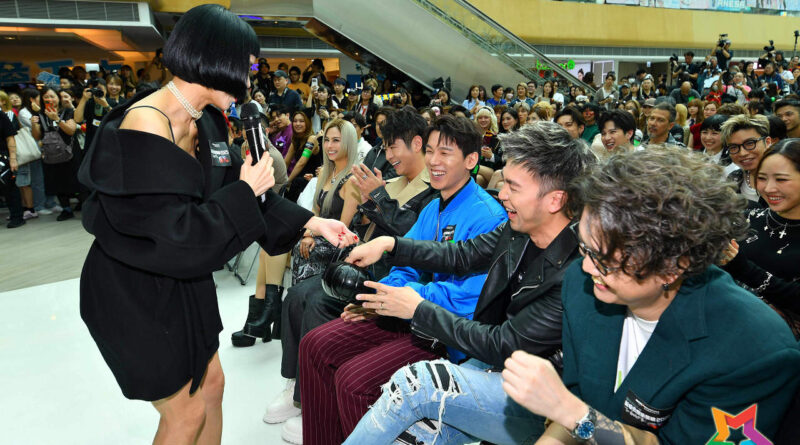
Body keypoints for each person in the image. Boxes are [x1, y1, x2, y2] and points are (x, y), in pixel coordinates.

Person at [77, 6, 354, 444]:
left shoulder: (205, 121)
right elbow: (174, 234)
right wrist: (245, 190)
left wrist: (313, 222)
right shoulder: (145, 124)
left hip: (182, 281)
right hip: (133, 289)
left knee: (212, 386)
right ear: (215, 60)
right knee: (184, 414)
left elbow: (238, 194)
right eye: (246, 69)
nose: (249, 82)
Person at [499, 146, 800, 443]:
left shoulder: (753, 353)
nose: (587, 267)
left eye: (605, 260)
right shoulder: (584, 287)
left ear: (672, 267)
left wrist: (572, 413)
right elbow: (581, 397)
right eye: (585, 247)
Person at [343, 121, 593, 445]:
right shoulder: (517, 231)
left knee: (416, 383)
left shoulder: (576, 271)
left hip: (538, 404)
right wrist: (391, 244)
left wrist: (419, 309)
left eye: (513, 187)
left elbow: (503, 344)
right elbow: (461, 254)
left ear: (555, 200)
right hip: (493, 368)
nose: (502, 194)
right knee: (409, 437)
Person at [297, 115, 507, 445]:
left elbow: (470, 299)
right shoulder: (433, 208)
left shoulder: (489, 216)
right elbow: (404, 263)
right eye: (431, 151)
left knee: (354, 382)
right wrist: (382, 298)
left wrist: (399, 298)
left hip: (447, 334)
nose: (434, 161)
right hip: (409, 314)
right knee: (315, 345)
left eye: (445, 153)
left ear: (471, 160)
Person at [263, 106, 438, 433]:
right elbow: (365, 224)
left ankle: (312, 402)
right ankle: (297, 386)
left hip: (390, 279)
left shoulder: (432, 189)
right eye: (385, 147)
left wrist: (378, 198)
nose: (388, 155)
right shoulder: (392, 181)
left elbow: (412, 236)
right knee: (296, 296)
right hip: (365, 266)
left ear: (417, 144)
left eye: (393, 146)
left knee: (317, 302)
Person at [721, 139, 800, 340]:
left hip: (778, 345)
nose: (769, 188)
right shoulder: (746, 217)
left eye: (781, 179)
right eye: (762, 178)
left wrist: (744, 269)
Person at [291, 119, 362, 285]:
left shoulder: (353, 180)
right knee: (296, 242)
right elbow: (316, 210)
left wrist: (311, 234)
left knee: (307, 250)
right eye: (327, 140)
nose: (329, 146)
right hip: (320, 234)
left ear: (348, 143)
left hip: (341, 242)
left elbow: (343, 227)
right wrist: (309, 232)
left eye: (336, 140)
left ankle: (305, 297)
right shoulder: (325, 172)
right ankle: (295, 297)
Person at [31, 87, 80, 221]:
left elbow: (71, 131)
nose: (49, 99)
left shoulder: (68, 111)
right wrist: (34, 124)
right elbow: (37, 136)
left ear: (58, 98)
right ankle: (66, 209)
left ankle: (85, 206)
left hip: (70, 152)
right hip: (51, 154)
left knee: (76, 181)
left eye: (52, 96)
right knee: (57, 182)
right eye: (46, 97)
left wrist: (57, 119)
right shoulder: (41, 114)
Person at [722, 114, 771, 204]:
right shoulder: (733, 179)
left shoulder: (784, 179)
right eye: (734, 147)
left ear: (767, 142)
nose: (742, 153)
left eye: (750, 143)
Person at [0, 106, 23, 228]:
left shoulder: (2, 116)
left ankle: (17, 216)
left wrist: (13, 158)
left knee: (9, 187)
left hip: (3, 157)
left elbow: (10, 137)